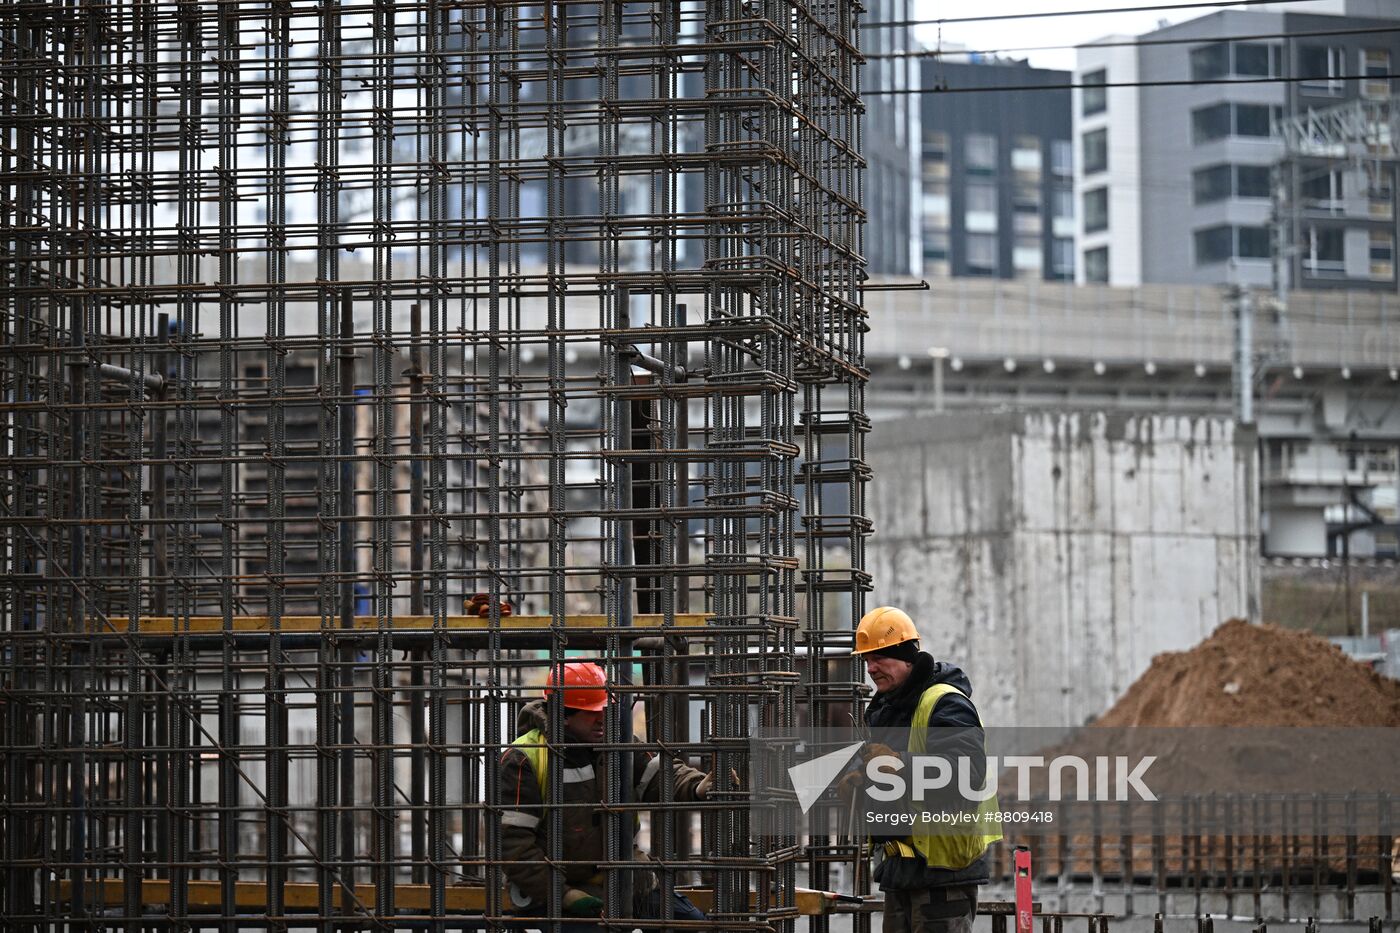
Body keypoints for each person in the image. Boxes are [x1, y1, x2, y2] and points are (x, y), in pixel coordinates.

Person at [499, 661, 717, 932]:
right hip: (551, 888)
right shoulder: (524, 759)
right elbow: (512, 845)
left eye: (604, 708)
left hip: (620, 877)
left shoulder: (615, 742)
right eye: (592, 713)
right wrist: (564, 894)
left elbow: (659, 774)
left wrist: (698, 786)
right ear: (563, 714)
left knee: (692, 926)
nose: (602, 717)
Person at [841, 606, 1001, 933]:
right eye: (866, 660)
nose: (870, 668)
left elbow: (967, 773)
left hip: (943, 870)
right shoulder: (890, 707)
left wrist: (898, 764)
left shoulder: (945, 702)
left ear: (906, 657)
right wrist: (864, 781)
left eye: (879, 658)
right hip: (901, 869)